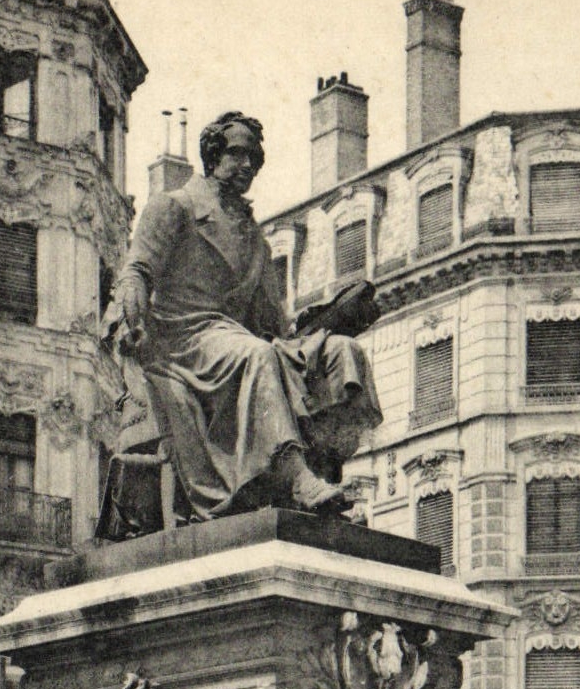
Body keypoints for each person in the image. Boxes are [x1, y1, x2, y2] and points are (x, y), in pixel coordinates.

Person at [113, 112, 382, 520]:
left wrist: (323, 326)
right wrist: (131, 310)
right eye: (238, 155)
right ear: (212, 155)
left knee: (342, 353)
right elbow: (137, 270)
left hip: (235, 338)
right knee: (257, 355)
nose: (247, 166)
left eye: (254, 159)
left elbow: (275, 324)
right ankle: (295, 479)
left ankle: (321, 471)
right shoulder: (175, 207)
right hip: (183, 339)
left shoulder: (253, 237)